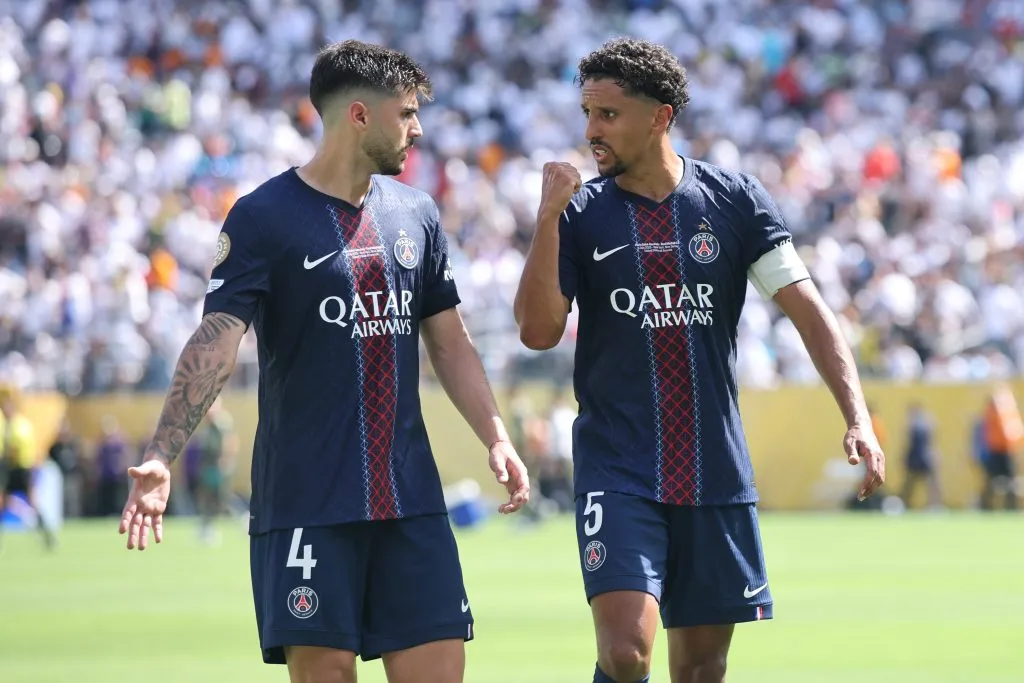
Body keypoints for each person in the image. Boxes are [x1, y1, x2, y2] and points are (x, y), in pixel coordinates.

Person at [117, 40, 530, 683]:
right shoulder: (264, 216)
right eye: (406, 113)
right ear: (359, 116)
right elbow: (218, 339)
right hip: (308, 502)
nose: (417, 130)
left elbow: (449, 341)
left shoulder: (416, 214)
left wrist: (497, 437)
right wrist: (164, 455)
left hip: (411, 501)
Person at [513, 38, 885, 683]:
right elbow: (539, 332)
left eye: (608, 114)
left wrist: (857, 415)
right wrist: (547, 218)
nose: (590, 131)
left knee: (701, 667)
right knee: (626, 654)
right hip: (618, 463)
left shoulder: (735, 200)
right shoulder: (580, 212)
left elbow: (809, 313)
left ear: (660, 116)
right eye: (587, 113)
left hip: (713, 468)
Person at [0, 386, 57, 550]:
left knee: (33, 503)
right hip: (9, 470)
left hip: (22, 469)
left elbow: (21, 450)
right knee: (3, 505)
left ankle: (48, 536)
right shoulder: (6, 426)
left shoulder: (20, 426)